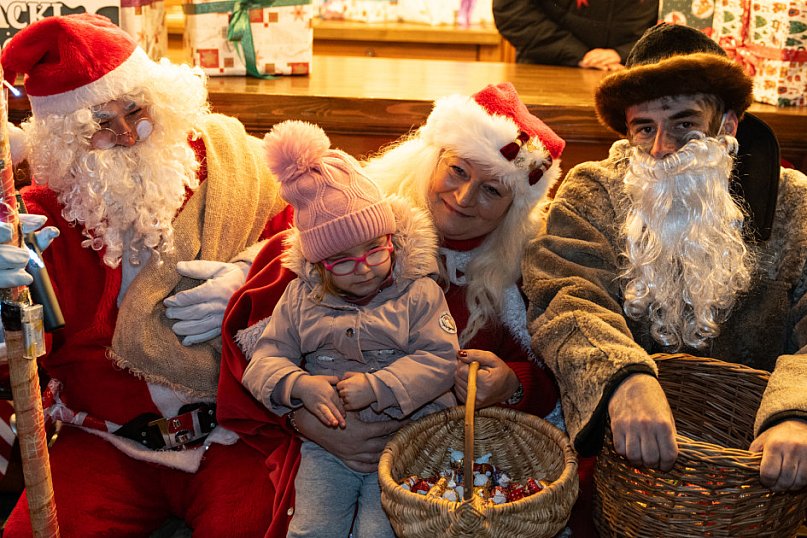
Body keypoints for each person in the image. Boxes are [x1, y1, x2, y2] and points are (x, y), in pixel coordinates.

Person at [219, 82, 599, 536]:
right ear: (433, 158)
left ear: (514, 207)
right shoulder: (347, 217)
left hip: (440, 469)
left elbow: (570, 377)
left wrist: (515, 384)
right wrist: (306, 420)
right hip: (314, 448)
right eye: (458, 171)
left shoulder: (528, 270)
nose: (463, 198)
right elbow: (254, 351)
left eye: (492, 190)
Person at [0, 14, 289, 536]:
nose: (130, 134)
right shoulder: (38, 220)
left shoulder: (229, 164)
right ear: (66, 142)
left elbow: (314, 243)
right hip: (107, 443)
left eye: (136, 111)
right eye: (100, 126)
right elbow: (15, 356)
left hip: (234, 434)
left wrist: (251, 277)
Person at [523, 22, 807, 493]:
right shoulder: (592, 190)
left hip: (757, 479)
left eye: (684, 124)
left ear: (727, 126)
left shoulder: (796, 203)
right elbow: (566, 297)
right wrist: (623, 377)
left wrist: (797, 412)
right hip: (629, 476)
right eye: (644, 128)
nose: (661, 149)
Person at [241, 120, 459, 537]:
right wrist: (300, 386)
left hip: (408, 442)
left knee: (383, 531)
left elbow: (440, 358)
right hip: (327, 448)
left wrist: (378, 386)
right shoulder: (301, 299)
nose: (364, 269)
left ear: (390, 238)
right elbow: (264, 360)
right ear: (319, 264)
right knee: (312, 528)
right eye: (342, 260)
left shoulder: (419, 292)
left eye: (375, 250)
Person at [493, 0, 658, 70]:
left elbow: (673, 19)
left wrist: (623, 53)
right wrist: (577, 53)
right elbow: (511, 12)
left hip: (626, 77)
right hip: (546, 71)